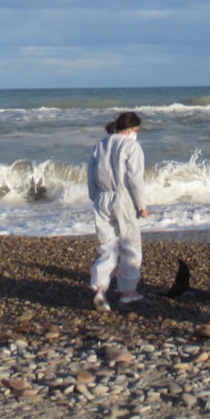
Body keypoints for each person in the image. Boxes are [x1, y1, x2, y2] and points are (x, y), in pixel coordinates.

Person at [86, 111, 149, 311]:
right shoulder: (131, 145)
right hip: (123, 198)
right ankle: (127, 291)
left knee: (107, 245)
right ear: (131, 128)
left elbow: (91, 173)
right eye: (136, 129)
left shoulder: (100, 144)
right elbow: (135, 178)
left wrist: (94, 197)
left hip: (102, 198)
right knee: (130, 246)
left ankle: (100, 288)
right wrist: (142, 204)